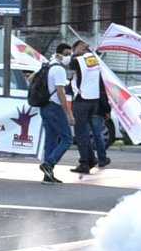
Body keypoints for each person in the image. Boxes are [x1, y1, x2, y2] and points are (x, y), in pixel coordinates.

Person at [32, 41, 74, 184]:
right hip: (55, 107)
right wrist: (68, 113)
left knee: (51, 140)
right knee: (67, 138)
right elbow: (61, 92)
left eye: (70, 54)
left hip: (44, 106)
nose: (69, 57)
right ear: (59, 54)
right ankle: (49, 163)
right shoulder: (59, 70)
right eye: (67, 54)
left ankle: (48, 176)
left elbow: (31, 78)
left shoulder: (47, 66)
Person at [68, 38, 109, 175]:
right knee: (93, 132)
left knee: (81, 134)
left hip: (81, 100)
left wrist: (75, 53)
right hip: (94, 100)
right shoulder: (95, 59)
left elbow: (70, 70)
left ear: (79, 49)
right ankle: (95, 159)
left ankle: (84, 163)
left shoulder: (77, 60)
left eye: (75, 49)